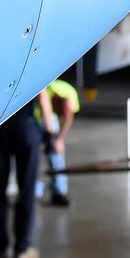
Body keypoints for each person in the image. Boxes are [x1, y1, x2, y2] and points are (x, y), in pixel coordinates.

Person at [0, 106, 46, 258]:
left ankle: (1, 248)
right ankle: (22, 248)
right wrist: (52, 134)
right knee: (26, 189)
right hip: (24, 128)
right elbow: (43, 99)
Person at [38, 76, 79, 206]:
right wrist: (49, 131)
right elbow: (43, 104)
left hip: (51, 118)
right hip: (36, 117)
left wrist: (59, 140)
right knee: (33, 157)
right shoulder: (48, 89)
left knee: (56, 154)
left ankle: (59, 193)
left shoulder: (71, 95)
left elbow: (68, 118)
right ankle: (34, 193)